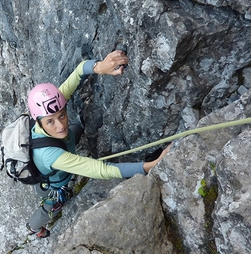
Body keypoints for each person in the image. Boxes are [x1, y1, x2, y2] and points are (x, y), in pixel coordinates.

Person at [26, 49, 171, 238]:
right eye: (51, 122)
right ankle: (34, 228)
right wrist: (149, 166)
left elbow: (79, 71)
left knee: (75, 129)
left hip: (61, 149)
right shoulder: (50, 155)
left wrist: (101, 66)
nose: (60, 125)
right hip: (54, 181)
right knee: (49, 207)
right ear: (38, 122)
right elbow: (99, 170)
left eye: (62, 115)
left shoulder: (50, 107)